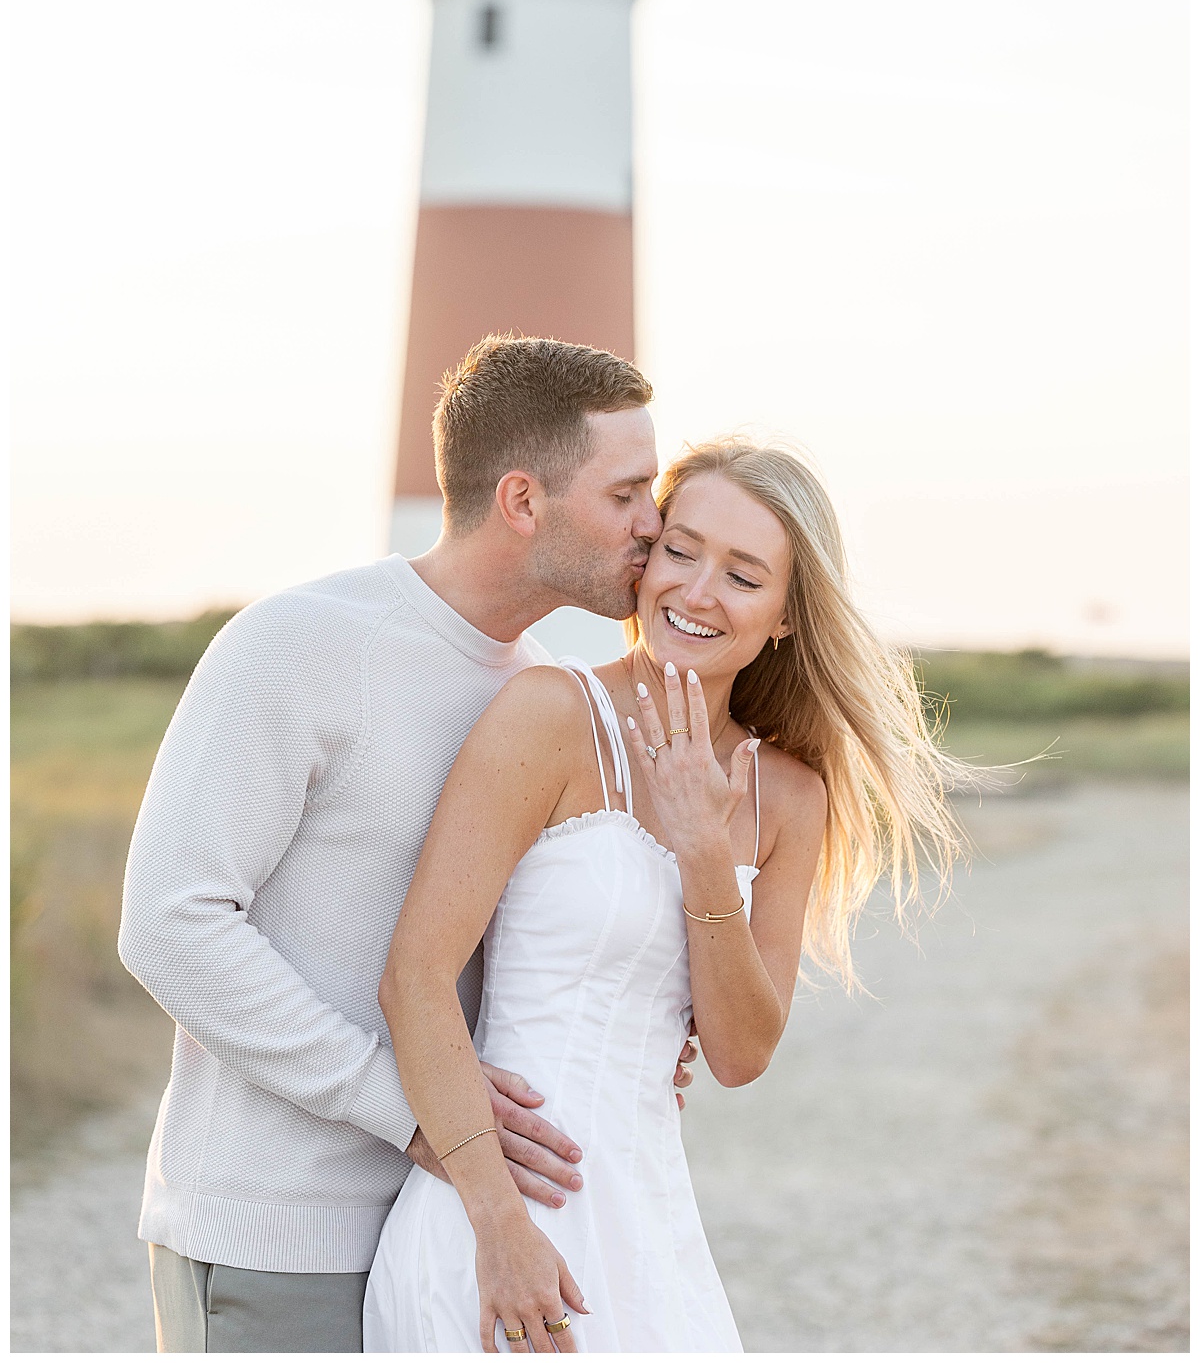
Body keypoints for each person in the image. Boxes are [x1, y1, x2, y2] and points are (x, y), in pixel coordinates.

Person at [118, 334, 706, 1354]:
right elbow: (170, 925)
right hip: (283, 1233)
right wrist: (410, 1110)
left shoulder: (536, 692)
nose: (654, 528)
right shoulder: (299, 643)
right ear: (523, 500)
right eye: (626, 495)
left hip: (449, 1227)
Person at [363, 438, 970, 1353]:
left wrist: (701, 851)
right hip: (491, 1218)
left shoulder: (788, 796)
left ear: (785, 619)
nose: (694, 592)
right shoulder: (551, 714)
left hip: (648, 1230)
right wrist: (499, 1227)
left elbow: (739, 1052)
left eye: (742, 574)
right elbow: (414, 976)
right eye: (680, 550)